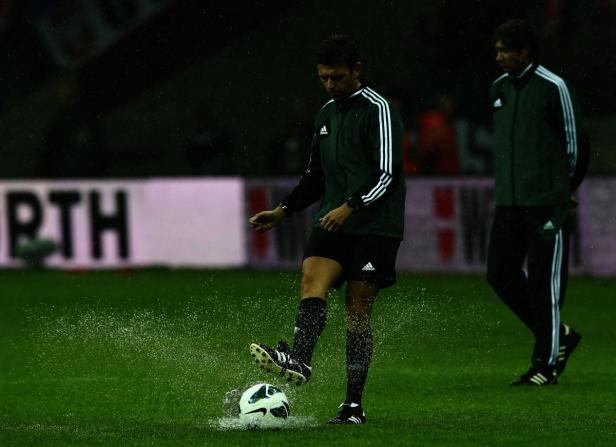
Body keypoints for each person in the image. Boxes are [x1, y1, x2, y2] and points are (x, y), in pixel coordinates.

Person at [248, 34, 406, 424]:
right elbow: (315, 176)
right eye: (323, 78)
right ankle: (300, 359)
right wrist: (283, 210)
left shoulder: (379, 110)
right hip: (333, 219)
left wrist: (351, 206)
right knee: (311, 279)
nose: (330, 85)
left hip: (375, 225)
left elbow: (388, 173)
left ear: (356, 71)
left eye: (337, 77)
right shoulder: (325, 115)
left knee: (357, 313)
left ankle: (353, 405)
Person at [487, 19, 588, 386]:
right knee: (499, 273)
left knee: (545, 282)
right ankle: (558, 335)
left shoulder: (552, 86)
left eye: (504, 50)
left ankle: (545, 366)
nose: (498, 57)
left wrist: (563, 189)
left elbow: (575, 142)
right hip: (510, 201)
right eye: (497, 50)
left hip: (546, 202)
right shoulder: (499, 88)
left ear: (524, 51)